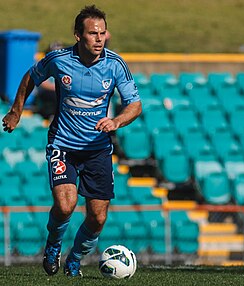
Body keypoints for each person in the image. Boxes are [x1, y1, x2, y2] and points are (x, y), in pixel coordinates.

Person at [2, 5, 142, 277]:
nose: (99, 38)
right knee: (66, 206)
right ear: (78, 35)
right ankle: (53, 245)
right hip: (63, 145)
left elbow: (134, 105)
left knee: (98, 217)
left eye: (102, 32)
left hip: (97, 149)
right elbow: (31, 76)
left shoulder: (115, 64)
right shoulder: (59, 60)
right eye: (93, 33)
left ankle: (75, 258)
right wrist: (16, 111)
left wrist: (116, 121)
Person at [35, 41, 64, 120]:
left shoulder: (64, 66)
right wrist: (59, 87)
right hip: (45, 92)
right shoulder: (44, 65)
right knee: (55, 96)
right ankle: (51, 116)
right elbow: (43, 84)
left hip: (59, 90)